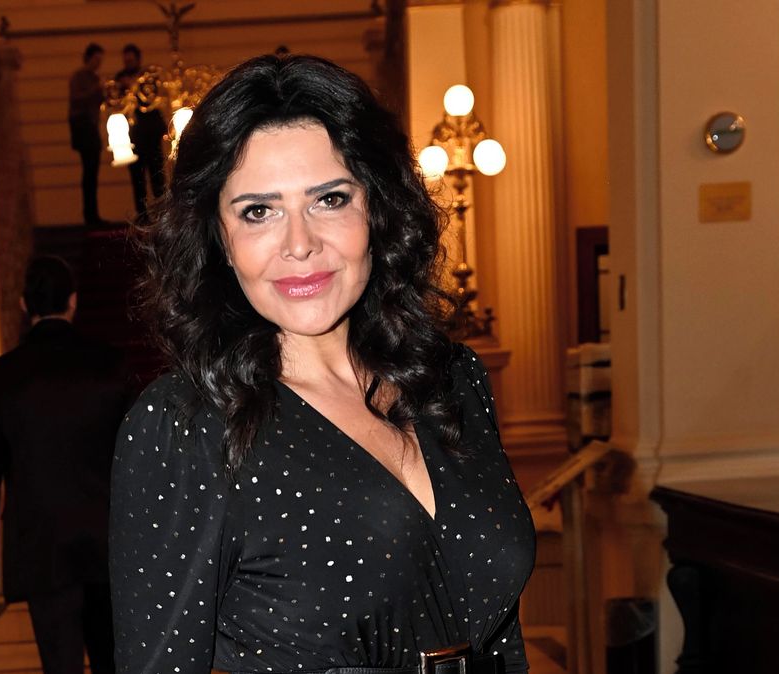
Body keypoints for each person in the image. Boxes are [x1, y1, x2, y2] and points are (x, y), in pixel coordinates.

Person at [109, 55, 536, 674]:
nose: (300, 244)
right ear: (218, 238)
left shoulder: (451, 378)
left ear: (377, 209)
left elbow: (501, 639)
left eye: (330, 199)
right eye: (259, 211)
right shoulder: (185, 425)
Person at [0, 255, 130, 674]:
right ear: (73, 301)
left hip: (41, 545)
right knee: (115, 660)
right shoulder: (112, 366)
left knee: (59, 664)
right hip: (108, 542)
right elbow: (139, 461)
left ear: (24, 305)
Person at [114, 43, 166, 221]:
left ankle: (161, 213)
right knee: (137, 178)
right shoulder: (120, 79)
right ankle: (142, 215)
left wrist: (134, 85)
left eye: (131, 60)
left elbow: (152, 98)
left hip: (151, 133)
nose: (128, 63)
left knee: (157, 174)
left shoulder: (147, 76)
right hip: (133, 136)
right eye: (126, 60)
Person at [69, 43, 106, 226]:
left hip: (91, 124)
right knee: (89, 170)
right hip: (83, 125)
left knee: (92, 170)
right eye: (96, 59)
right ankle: (90, 215)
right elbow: (76, 98)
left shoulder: (94, 77)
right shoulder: (79, 77)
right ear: (88, 58)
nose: (98, 63)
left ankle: (93, 214)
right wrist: (97, 89)